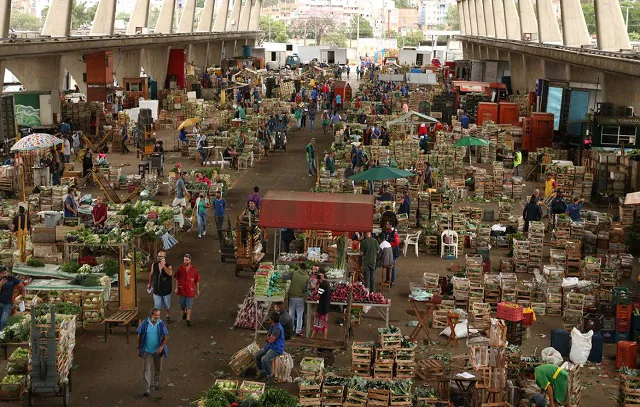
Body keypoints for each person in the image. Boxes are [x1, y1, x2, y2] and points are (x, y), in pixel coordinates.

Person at [136, 308, 169, 397]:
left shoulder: (161, 324)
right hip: (146, 351)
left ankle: (156, 383)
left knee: (158, 369)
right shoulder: (144, 324)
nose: (158, 317)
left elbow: (166, 336)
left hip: (158, 351)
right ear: (151, 315)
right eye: (156, 315)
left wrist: (161, 347)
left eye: (159, 315)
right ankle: (146, 389)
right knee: (146, 370)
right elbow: (139, 335)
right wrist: (139, 348)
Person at [254, 312, 285, 385]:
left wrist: (268, 338)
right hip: (270, 346)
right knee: (257, 355)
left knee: (264, 359)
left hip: (276, 348)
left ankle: (270, 377)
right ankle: (262, 372)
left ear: (271, 320)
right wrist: (268, 338)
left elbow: (270, 340)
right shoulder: (273, 326)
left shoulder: (277, 329)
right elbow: (269, 337)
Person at [174, 254, 200, 327]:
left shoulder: (194, 270)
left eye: (187, 260)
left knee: (189, 305)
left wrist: (197, 290)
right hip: (182, 290)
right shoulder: (180, 269)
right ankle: (184, 311)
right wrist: (176, 288)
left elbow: (197, 281)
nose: (185, 261)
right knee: (182, 304)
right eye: (184, 260)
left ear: (190, 261)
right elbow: (177, 279)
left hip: (190, 291)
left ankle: (188, 319)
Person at [147, 252, 173, 322]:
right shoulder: (154, 265)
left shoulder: (168, 265)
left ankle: (168, 314)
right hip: (156, 289)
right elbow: (151, 274)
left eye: (160, 256)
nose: (159, 257)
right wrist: (149, 284)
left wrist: (164, 265)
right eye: (158, 256)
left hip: (166, 290)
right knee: (157, 306)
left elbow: (170, 273)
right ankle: (157, 318)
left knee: (167, 305)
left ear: (164, 257)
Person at [285, 264, 309, 337]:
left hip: (292, 297)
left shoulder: (294, 273)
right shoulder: (307, 277)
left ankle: (291, 329)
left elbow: (285, 277)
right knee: (300, 315)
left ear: (299, 267)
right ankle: (298, 331)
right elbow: (306, 289)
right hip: (300, 298)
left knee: (291, 314)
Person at [311, 270, 331, 340]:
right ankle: (324, 340)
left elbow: (318, 296)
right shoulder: (327, 283)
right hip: (326, 308)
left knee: (316, 325)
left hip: (321, 308)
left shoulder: (322, 285)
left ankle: (311, 340)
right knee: (325, 325)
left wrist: (315, 292)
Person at [383, 221, 401, 286]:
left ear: (391, 225)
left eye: (387, 224)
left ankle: (392, 281)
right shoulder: (387, 232)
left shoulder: (395, 233)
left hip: (393, 252)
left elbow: (397, 243)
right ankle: (387, 279)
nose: (386, 225)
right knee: (387, 265)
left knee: (392, 266)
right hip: (388, 252)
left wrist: (388, 244)